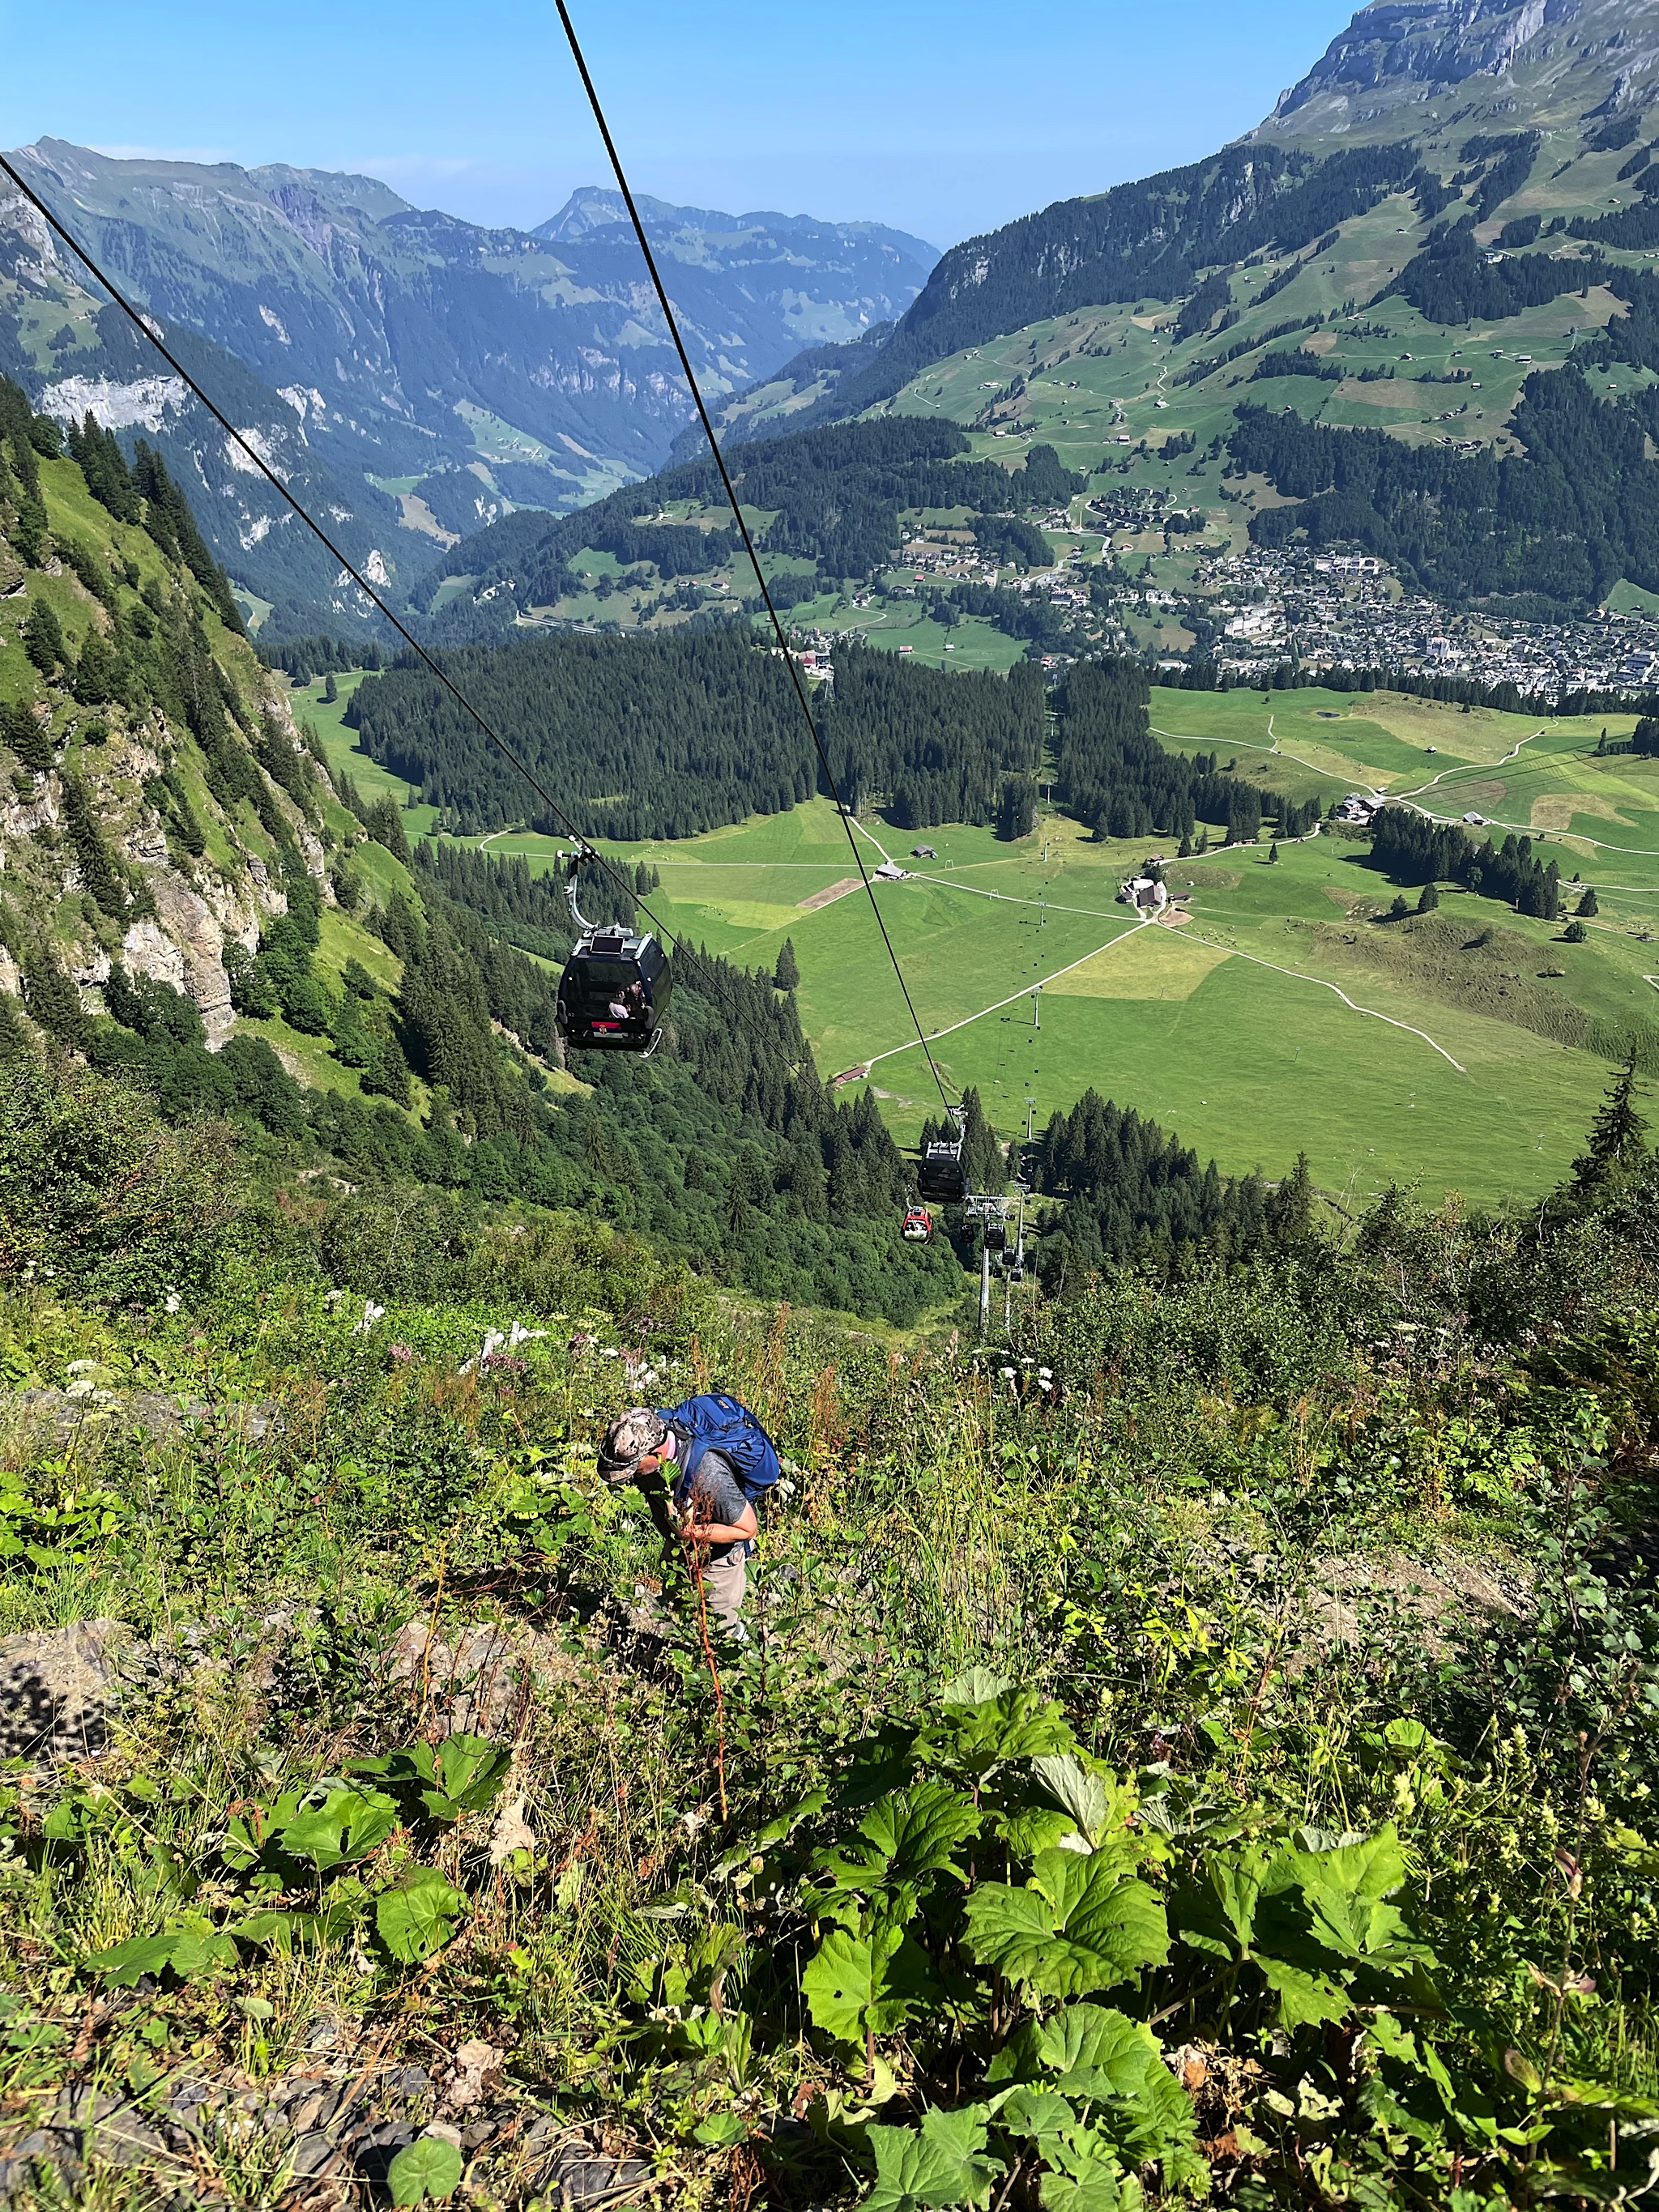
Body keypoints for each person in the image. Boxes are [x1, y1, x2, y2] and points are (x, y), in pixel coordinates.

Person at [599, 1404, 759, 1631]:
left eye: (634, 1468)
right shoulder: (650, 1451)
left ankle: (745, 1649)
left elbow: (747, 1528)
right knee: (677, 1616)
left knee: (720, 1632)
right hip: (680, 1548)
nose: (631, 1476)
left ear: (656, 1453)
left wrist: (691, 1533)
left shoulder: (707, 1472)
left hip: (720, 1558)